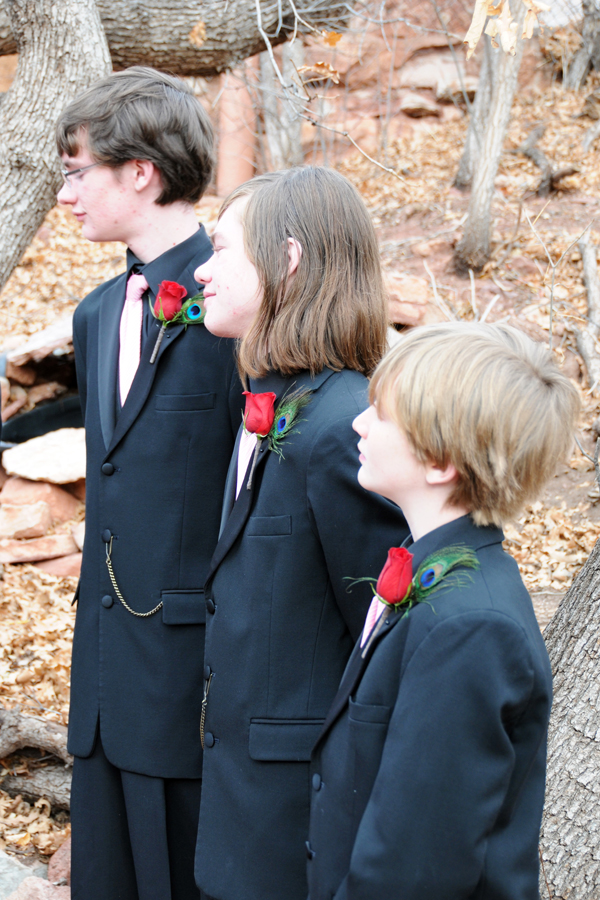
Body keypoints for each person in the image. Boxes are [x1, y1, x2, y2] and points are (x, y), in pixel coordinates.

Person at [192, 166, 409, 900]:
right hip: (242, 807)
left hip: (298, 826)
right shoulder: (279, 400)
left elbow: (381, 649)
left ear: (287, 260)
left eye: (223, 249)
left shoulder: (345, 427)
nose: (201, 270)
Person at [306, 322, 580, 900]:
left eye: (381, 414)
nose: (358, 422)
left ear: (438, 461)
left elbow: (413, 869)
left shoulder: (470, 629)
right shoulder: (435, 575)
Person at [55, 67, 241, 900]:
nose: (65, 196)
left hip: (194, 689)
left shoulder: (240, 304)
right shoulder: (96, 314)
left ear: (141, 171)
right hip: (100, 685)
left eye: (77, 172)